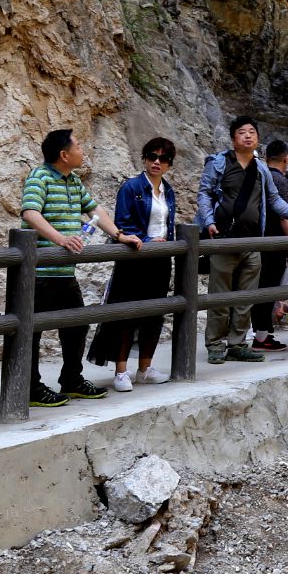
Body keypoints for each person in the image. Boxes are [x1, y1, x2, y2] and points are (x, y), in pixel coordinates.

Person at [20, 128, 138, 407]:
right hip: (39, 273)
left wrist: (120, 235)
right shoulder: (40, 177)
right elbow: (30, 213)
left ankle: (72, 380)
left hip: (64, 272)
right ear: (64, 154)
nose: (82, 150)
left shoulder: (72, 180)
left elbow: (95, 211)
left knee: (76, 326)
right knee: (31, 331)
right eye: (78, 146)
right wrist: (61, 239)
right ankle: (29, 387)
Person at [195, 116, 288, 364]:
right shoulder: (219, 163)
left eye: (252, 132)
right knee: (220, 296)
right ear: (233, 139)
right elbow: (205, 193)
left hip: (253, 241)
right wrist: (209, 221)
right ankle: (215, 344)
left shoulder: (261, 168)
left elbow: (273, 199)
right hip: (223, 238)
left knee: (246, 297)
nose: (248, 136)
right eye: (242, 132)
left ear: (258, 138)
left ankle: (238, 343)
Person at [87, 137, 178, 391]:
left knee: (154, 314)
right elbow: (123, 223)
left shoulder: (168, 191)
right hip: (135, 257)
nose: (156, 162)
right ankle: (121, 371)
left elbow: (168, 225)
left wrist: (165, 244)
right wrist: (149, 240)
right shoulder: (131, 187)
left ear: (170, 163)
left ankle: (145, 368)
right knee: (126, 315)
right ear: (144, 158)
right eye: (152, 157)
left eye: (163, 159)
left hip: (160, 259)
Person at [248, 139, 288, 351]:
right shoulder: (281, 181)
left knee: (258, 288)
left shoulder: (257, 176)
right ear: (286, 159)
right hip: (274, 241)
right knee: (268, 289)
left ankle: (260, 333)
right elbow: (285, 217)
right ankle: (262, 336)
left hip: (256, 238)